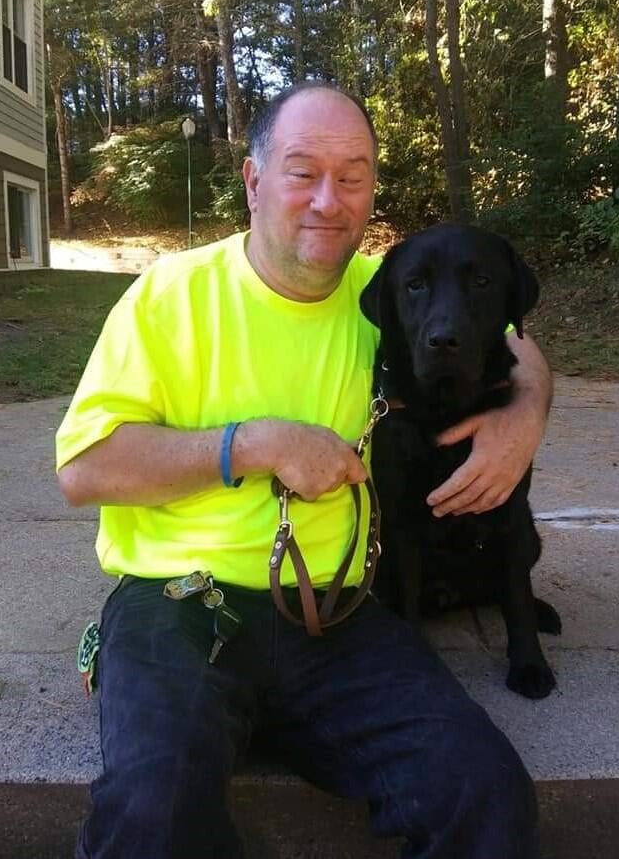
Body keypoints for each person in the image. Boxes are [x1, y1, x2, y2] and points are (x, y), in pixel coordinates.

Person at [56, 81, 551, 859]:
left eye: (353, 176)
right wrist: (248, 443)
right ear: (254, 182)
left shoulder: (387, 291)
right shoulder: (168, 296)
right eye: (303, 172)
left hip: (342, 614)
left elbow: (515, 342)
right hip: (184, 605)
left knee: (483, 793)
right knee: (151, 816)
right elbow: (83, 466)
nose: (330, 199)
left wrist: (523, 420)